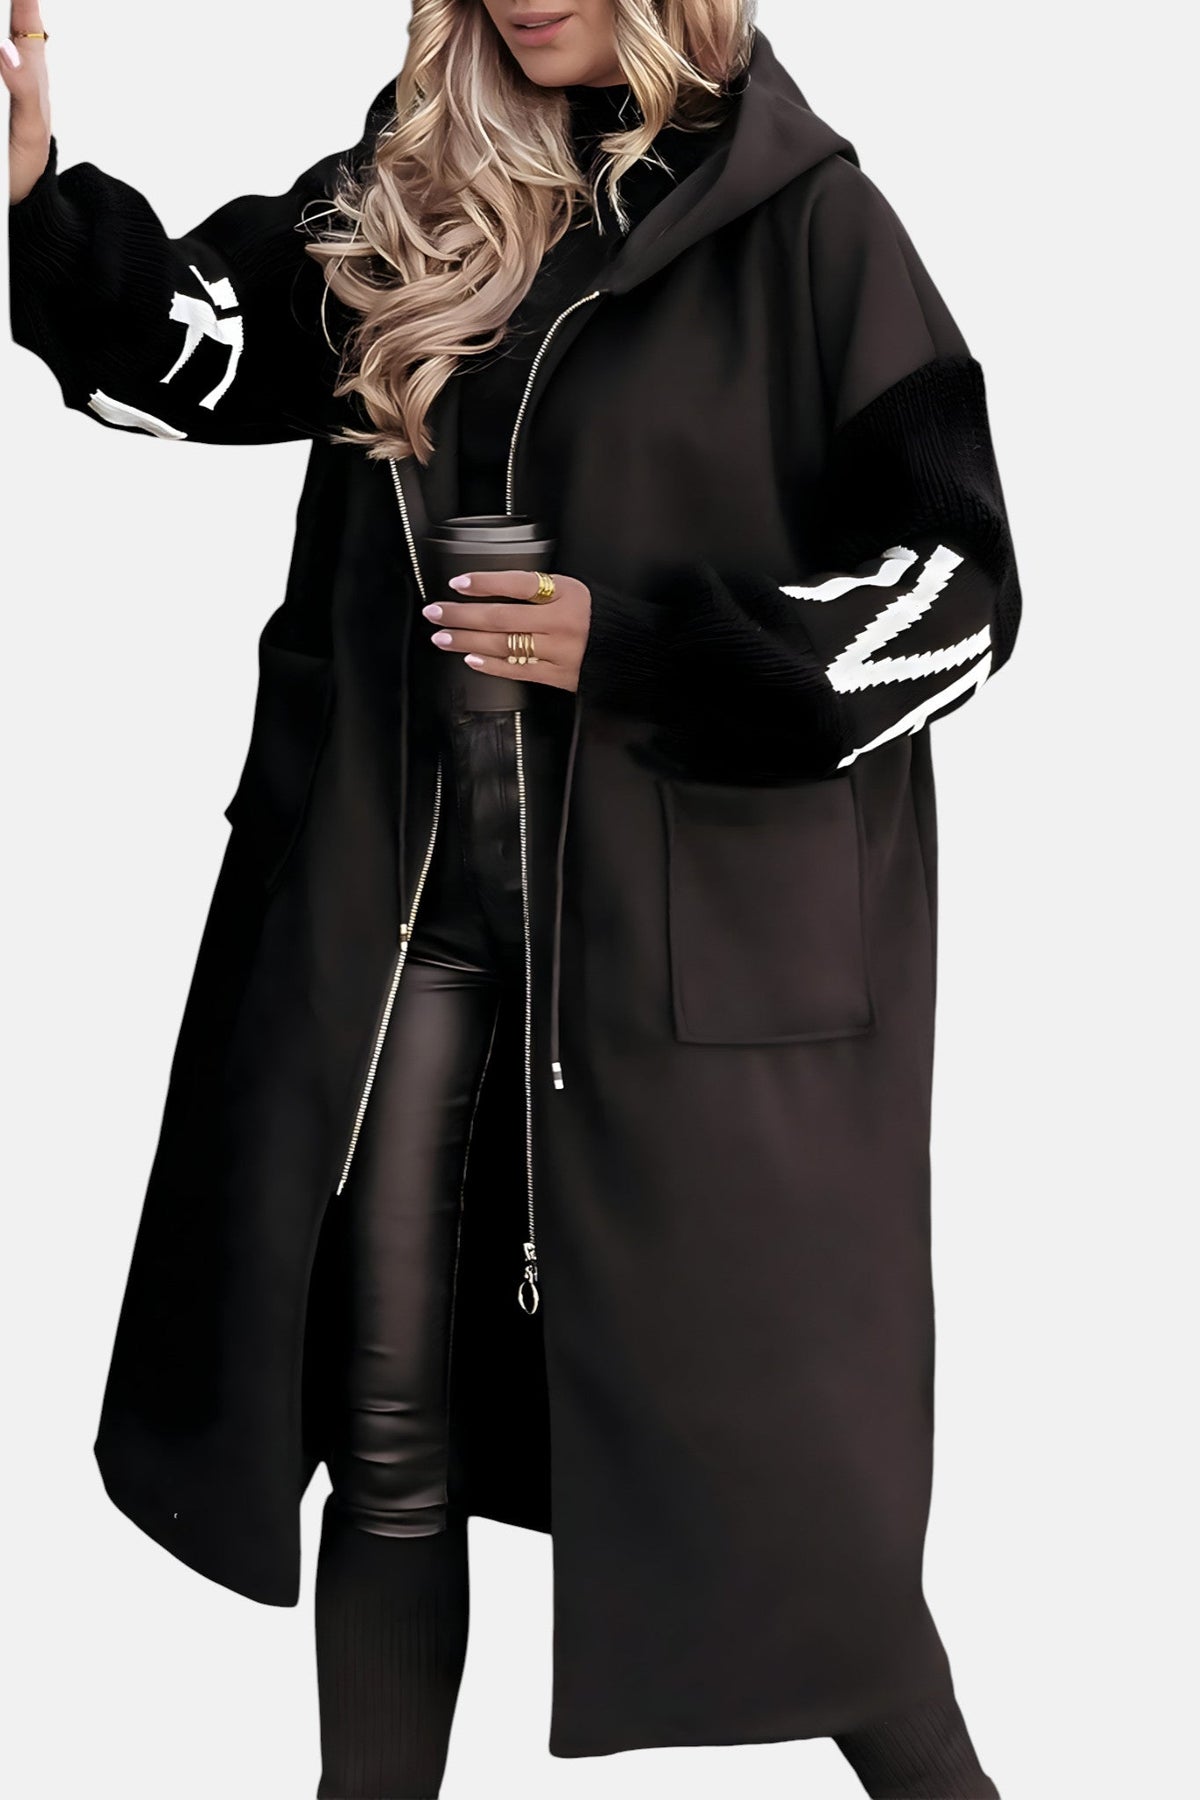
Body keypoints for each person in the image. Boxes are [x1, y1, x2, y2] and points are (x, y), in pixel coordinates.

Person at [5, 3, 1020, 1796]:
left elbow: (960, 596)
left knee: (800, 1500)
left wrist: (650, 649)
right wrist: (34, 205)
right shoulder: (417, 184)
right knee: (387, 1437)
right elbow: (201, 354)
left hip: (683, 965)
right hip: (408, 921)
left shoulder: (813, 226)